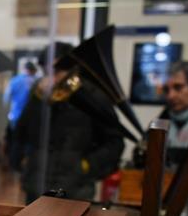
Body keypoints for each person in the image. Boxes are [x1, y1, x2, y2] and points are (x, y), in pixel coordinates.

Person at [15, 42, 124, 202]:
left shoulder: (91, 96)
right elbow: (20, 134)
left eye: (57, 71)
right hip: (37, 188)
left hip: (75, 191)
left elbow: (114, 142)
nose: (52, 78)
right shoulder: (39, 95)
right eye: (47, 71)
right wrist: (38, 101)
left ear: (72, 69)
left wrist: (85, 166)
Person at [3, 62, 37, 171]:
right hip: (31, 117)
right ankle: (28, 165)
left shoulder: (15, 80)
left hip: (16, 115)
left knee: (16, 141)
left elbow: (6, 99)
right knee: (29, 142)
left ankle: (14, 165)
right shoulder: (35, 82)